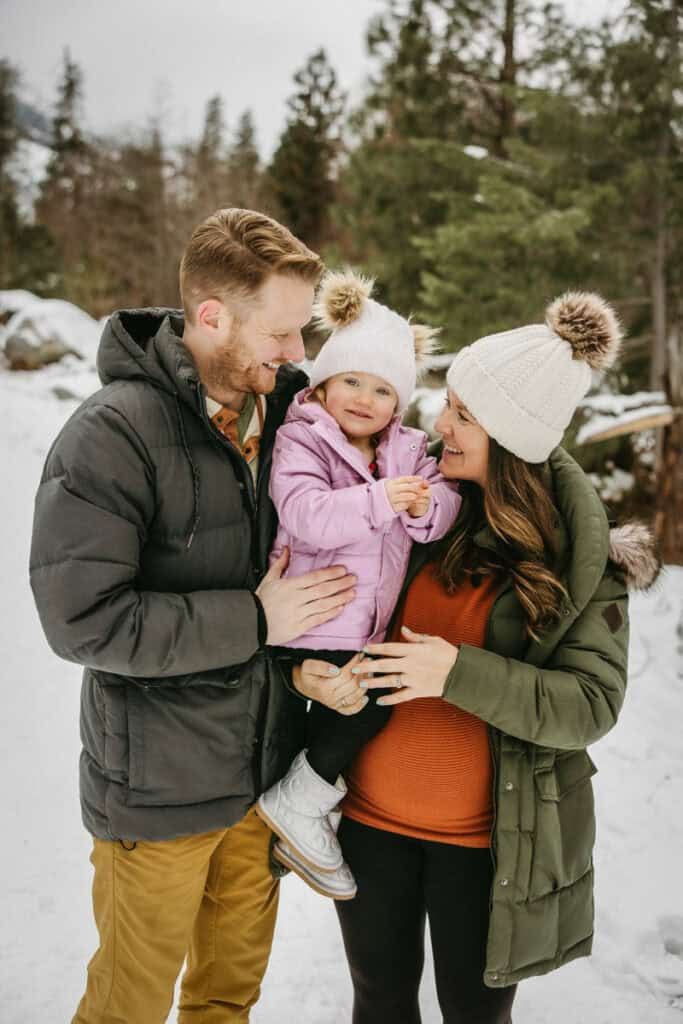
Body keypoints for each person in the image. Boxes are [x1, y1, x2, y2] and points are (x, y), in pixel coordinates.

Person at [28, 208, 360, 1024]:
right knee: (127, 1009)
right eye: (282, 333)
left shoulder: (293, 421)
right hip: (159, 797)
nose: (298, 355)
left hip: (261, 785)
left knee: (225, 1000)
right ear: (211, 317)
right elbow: (82, 621)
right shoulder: (112, 436)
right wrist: (254, 622)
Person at [292, 292, 660, 1023]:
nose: (439, 424)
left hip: (491, 848)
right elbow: (326, 601)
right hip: (372, 828)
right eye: (446, 404)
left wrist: (454, 673)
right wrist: (302, 670)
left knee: (473, 1015)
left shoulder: (576, 557)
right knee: (380, 1003)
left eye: (463, 414)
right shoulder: (413, 503)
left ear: (512, 435)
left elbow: (588, 704)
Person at [255, 270, 461, 899]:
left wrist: (424, 508)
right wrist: (379, 501)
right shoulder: (302, 437)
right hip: (310, 617)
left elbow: (444, 498)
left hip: (360, 625)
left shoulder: (406, 449)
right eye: (350, 380)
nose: (364, 399)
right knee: (368, 702)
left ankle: (312, 795)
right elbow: (305, 513)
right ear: (324, 380)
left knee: (364, 704)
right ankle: (301, 799)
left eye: (382, 389)